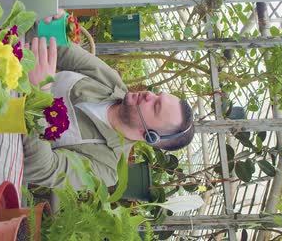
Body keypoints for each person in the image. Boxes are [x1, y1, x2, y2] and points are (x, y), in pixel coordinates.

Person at [22, 12, 195, 189]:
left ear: (149, 135)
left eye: (156, 106)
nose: (149, 95)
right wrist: (53, 22)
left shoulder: (106, 167)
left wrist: (40, 93)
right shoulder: (110, 81)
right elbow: (55, 44)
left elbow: (40, 168)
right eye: (158, 94)